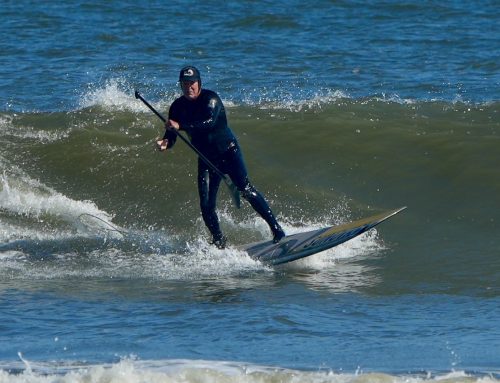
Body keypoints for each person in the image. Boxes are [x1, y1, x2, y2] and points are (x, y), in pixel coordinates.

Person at [157, 65, 285, 249]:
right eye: (184, 83)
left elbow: (207, 123)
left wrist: (180, 126)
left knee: (246, 189)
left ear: (199, 83)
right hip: (207, 159)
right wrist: (166, 142)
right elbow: (173, 133)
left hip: (228, 152)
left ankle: (277, 230)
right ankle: (220, 243)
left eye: (192, 83)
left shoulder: (211, 99)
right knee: (206, 205)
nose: (189, 87)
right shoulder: (177, 107)